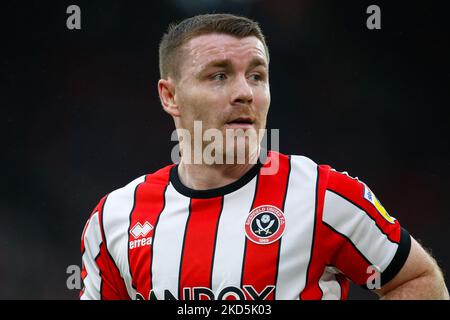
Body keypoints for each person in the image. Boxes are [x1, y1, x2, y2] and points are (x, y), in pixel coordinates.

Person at [80, 13, 449, 300]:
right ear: (170, 96)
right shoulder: (115, 218)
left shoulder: (324, 195)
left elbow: (416, 278)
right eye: (219, 75)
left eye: (256, 76)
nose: (245, 92)